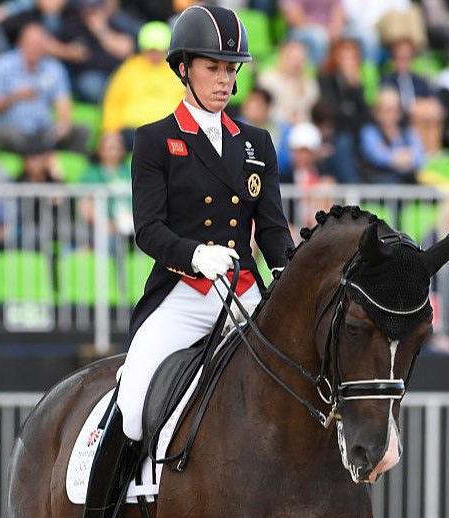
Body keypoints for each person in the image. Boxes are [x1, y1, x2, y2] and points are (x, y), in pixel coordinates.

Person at [85, 6, 294, 516]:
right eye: (213, 68)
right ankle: (104, 507)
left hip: (245, 293)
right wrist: (195, 254)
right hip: (184, 292)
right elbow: (149, 230)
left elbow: (271, 231)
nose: (224, 80)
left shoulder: (256, 144)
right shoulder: (155, 140)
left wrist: (289, 278)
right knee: (133, 400)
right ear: (184, 69)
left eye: (231, 70)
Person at [0, 23, 89, 154]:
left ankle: (59, 165)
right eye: (31, 44)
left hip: (42, 130)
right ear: (20, 43)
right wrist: (15, 97)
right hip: (12, 128)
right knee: (11, 135)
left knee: (82, 131)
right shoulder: (2, 65)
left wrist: (64, 123)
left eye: (40, 45)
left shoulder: (53, 68)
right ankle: (38, 158)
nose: (35, 49)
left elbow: (63, 101)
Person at [100, 21, 184, 150]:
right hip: (132, 132)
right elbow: (113, 100)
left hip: (168, 132)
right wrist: (110, 130)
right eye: (151, 50)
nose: (155, 54)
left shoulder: (177, 71)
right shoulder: (130, 68)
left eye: (159, 50)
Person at [317, 37, 368, 183]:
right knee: (343, 142)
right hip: (334, 135)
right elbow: (331, 112)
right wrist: (347, 88)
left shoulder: (358, 83)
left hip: (356, 133)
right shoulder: (326, 78)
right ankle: (353, 188)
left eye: (352, 57)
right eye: (345, 56)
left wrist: (355, 87)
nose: (349, 61)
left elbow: (365, 116)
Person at [359, 88, 425, 183]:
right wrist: (399, 157)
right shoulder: (369, 131)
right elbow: (377, 156)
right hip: (381, 181)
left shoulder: (407, 131)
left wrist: (399, 158)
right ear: (376, 112)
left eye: (394, 110)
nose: (391, 115)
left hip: (408, 179)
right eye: (386, 110)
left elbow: (420, 156)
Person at [257, 39, 320, 125]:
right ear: (283, 57)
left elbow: (312, 107)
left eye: (301, 59)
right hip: (274, 124)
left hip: (301, 125)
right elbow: (264, 109)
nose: (297, 63)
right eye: (293, 58)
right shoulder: (268, 78)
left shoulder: (308, 82)